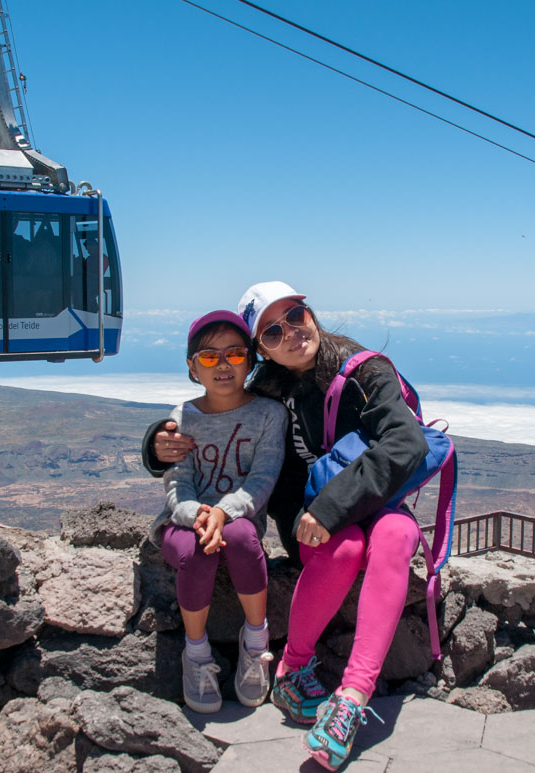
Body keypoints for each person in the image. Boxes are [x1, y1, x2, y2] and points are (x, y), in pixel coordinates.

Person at [147, 282, 429, 771]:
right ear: (262, 349)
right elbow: (218, 407)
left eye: (296, 315)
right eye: (272, 331)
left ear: (311, 313)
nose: (291, 333)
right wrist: (155, 445)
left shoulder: (367, 372)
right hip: (312, 515)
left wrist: (330, 509)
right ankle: (293, 667)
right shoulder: (272, 384)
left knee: (398, 536)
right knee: (343, 551)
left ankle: (351, 700)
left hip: (358, 502)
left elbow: (406, 445)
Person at [149, 310, 288, 715]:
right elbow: (178, 484)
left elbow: (263, 477)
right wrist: (198, 516)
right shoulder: (182, 417)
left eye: (234, 354)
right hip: (185, 522)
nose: (223, 365)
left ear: (250, 360)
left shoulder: (268, 415)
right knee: (196, 550)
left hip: (239, 519)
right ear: (193, 367)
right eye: (209, 357)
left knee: (243, 538)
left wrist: (224, 513)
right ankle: (195, 655)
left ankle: (256, 644)